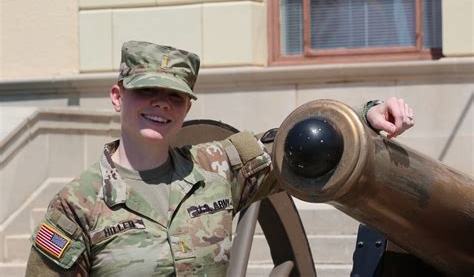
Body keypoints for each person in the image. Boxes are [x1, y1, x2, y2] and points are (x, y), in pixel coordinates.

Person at [25, 41, 415, 276]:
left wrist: (364, 115)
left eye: (175, 95)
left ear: (186, 107)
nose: (161, 103)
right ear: (117, 96)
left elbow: (298, 145)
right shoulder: (76, 206)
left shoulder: (216, 168)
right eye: (147, 91)